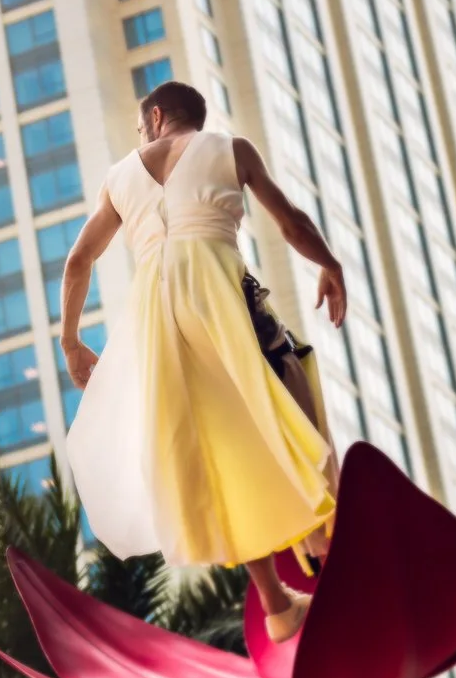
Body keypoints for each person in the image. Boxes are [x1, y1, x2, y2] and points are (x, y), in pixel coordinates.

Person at [58, 81, 345, 641]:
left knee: (215, 448)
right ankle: (324, 540)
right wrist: (329, 264)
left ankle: (277, 604)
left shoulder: (119, 178)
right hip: (218, 297)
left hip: (157, 321)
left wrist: (71, 341)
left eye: (141, 128)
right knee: (289, 381)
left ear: (156, 116)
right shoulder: (230, 148)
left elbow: (78, 261)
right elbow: (290, 222)